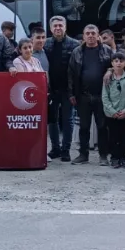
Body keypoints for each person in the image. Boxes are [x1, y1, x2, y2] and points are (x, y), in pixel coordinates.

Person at [68, 25, 112, 165]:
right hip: (83, 96)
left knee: (102, 127)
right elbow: (71, 74)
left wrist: (110, 70)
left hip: (102, 95)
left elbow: (117, 64)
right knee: (84, 127)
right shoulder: (77, 51)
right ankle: (83, 155)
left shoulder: (107, 50)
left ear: (98, 35)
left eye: (93, 33)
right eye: (88, 33)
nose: (91, 36)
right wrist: (71, 93)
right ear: (84, 35)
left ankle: (103, 156)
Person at [43, 15, 79, 161]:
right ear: (51, 28)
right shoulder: (45, 44)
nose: (58, 28)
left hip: (67, 89)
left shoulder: (75, 44)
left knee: (68, 120)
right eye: (55, 26)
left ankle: (66, 150)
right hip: (51, 89)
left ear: (65, 27)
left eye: (60, 25)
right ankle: (55, 148)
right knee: (52, 120)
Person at [102, 52, 125, 168]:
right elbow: (105, 97)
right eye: (116, 61)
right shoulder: (108, 78)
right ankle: (114, 158)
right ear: (112, 63)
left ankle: (123, 158)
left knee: (124, 137)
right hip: (112, 114)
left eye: (121, 61)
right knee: (113, 136)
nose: (118, 63)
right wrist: (112, 111)